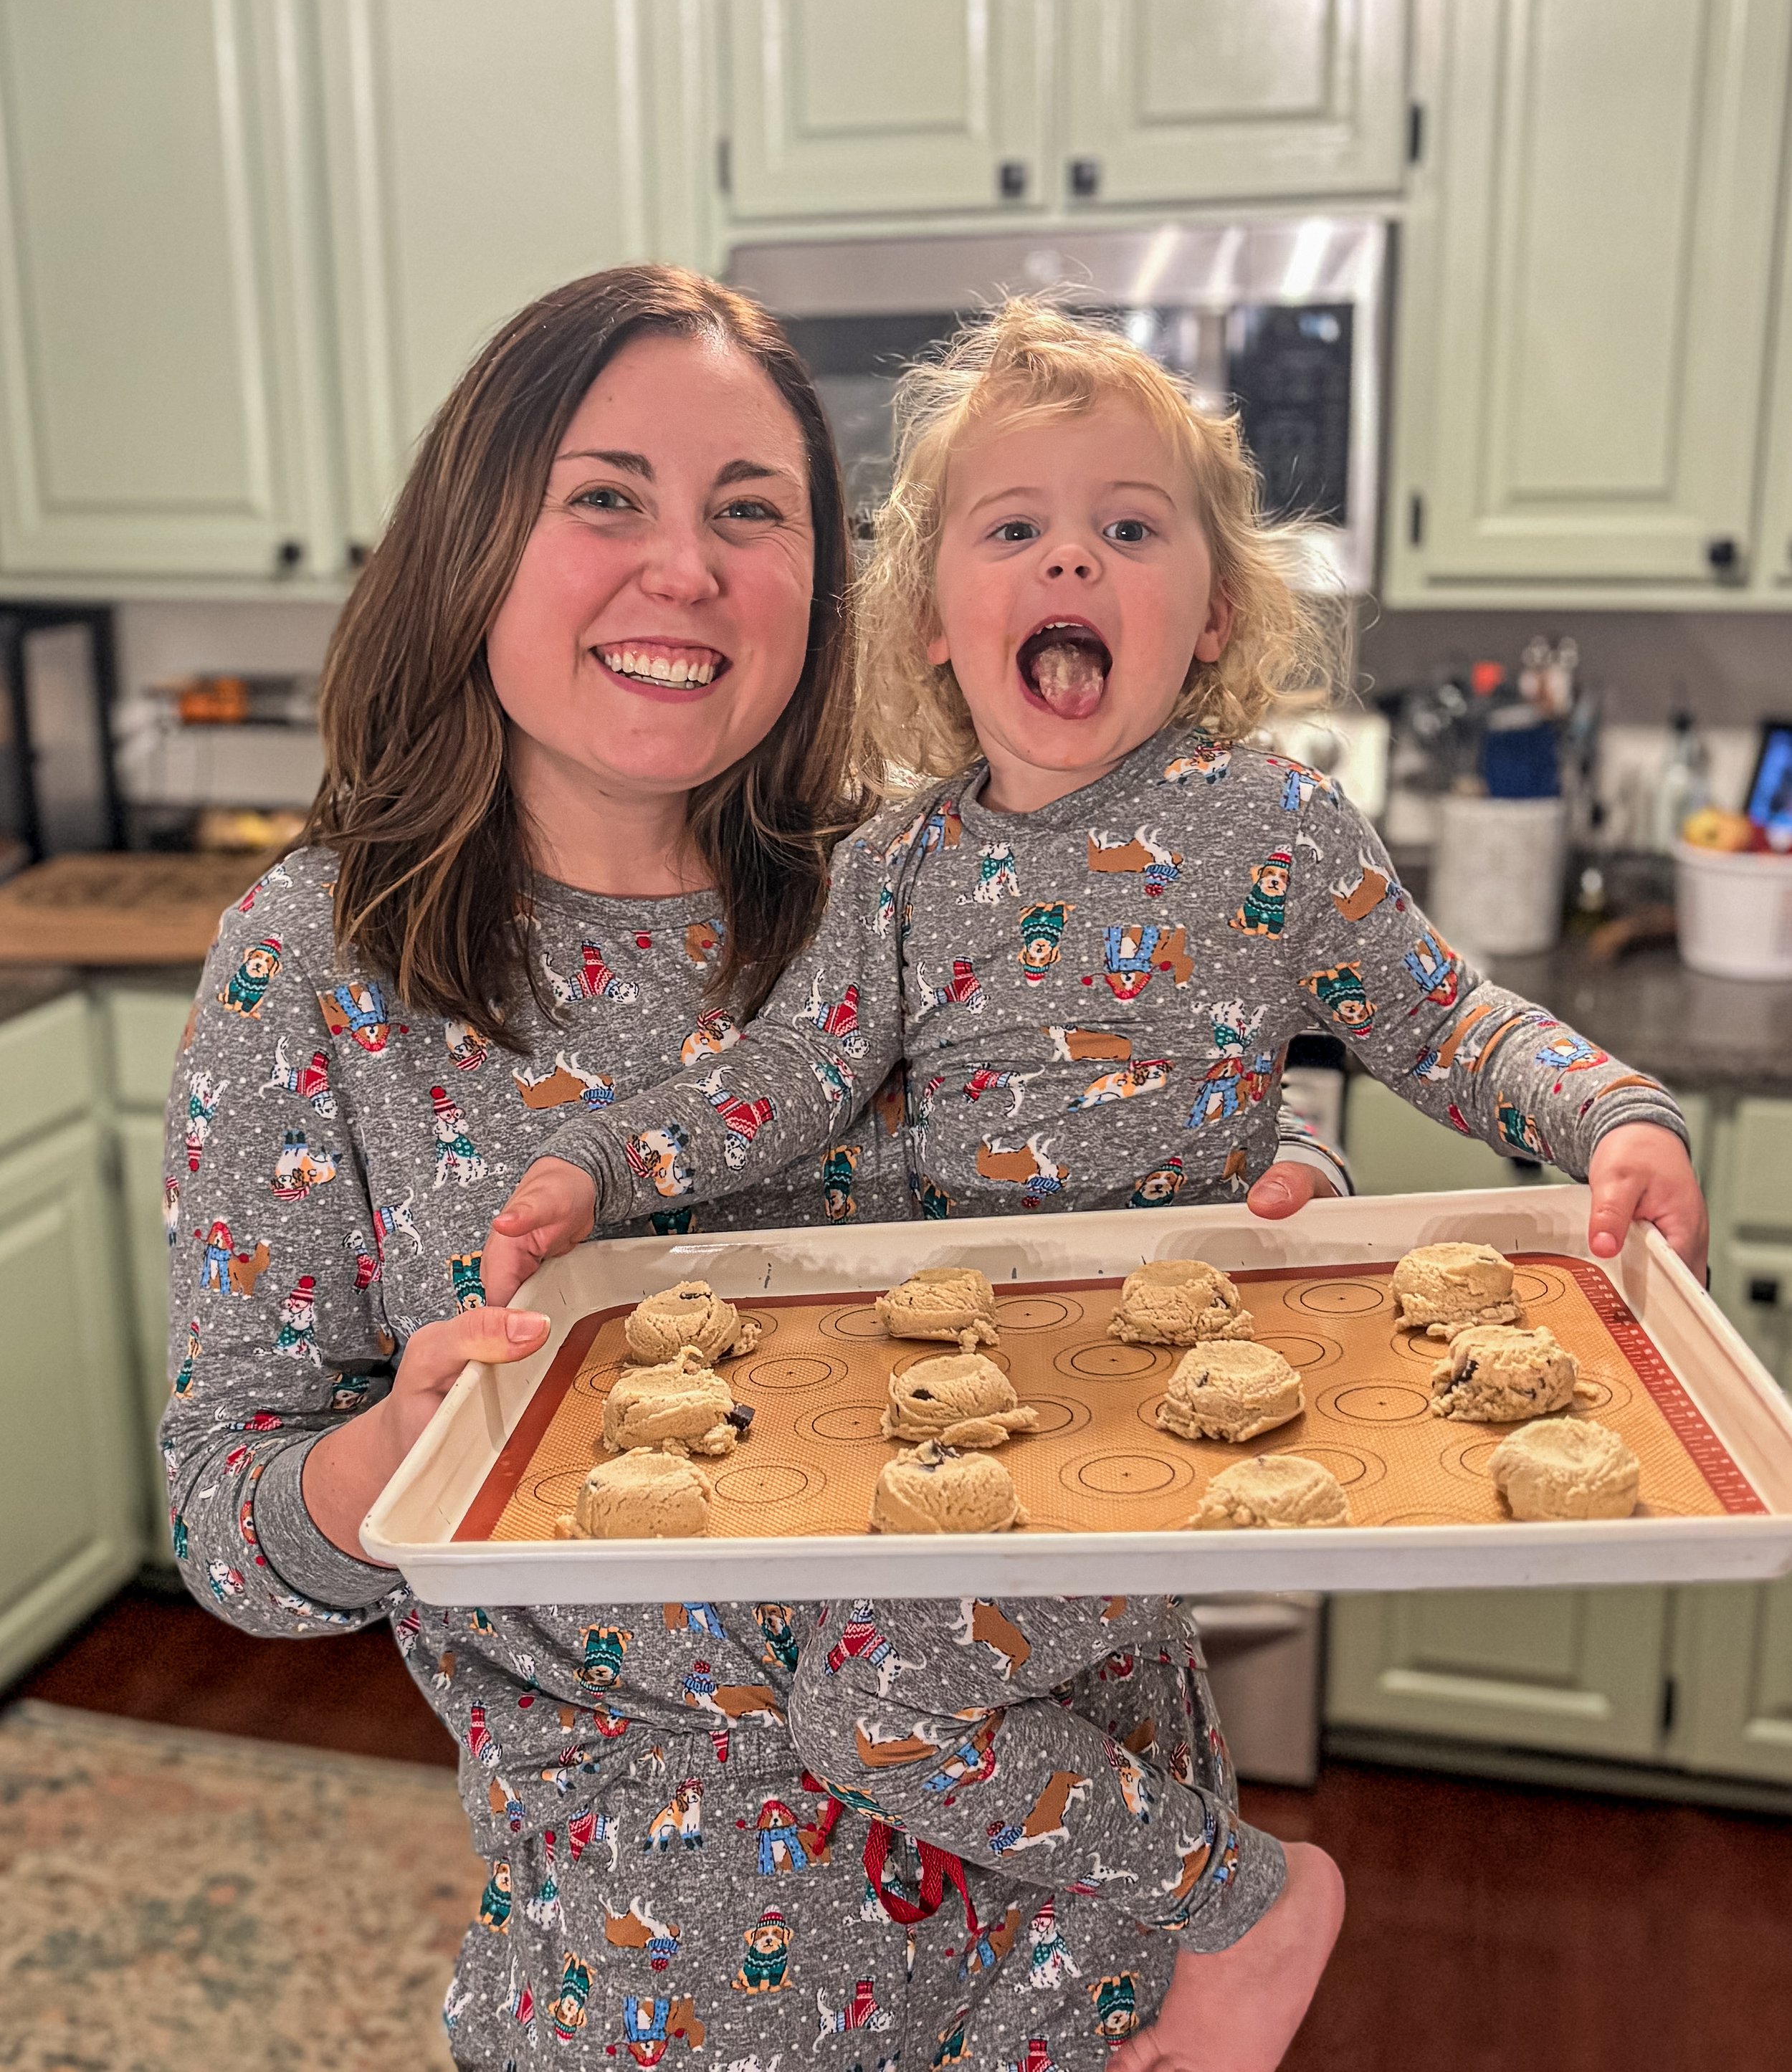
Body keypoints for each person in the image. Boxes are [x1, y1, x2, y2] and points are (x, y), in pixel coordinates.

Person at [485, 297, 1710, 2063]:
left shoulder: (1275, 830)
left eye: (1129, 527)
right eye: (1015, 526)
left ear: (1210, 614)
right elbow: (788, 1081)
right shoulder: (898, 863)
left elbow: (1442, 1020)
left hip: (1171, 1395)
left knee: (874, 1712)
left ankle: (1249, 1904)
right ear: (930, 622)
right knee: (881, 1709)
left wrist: (1613, 1115)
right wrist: (596, 1164)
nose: (1073, 551)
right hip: (978, 1405)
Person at [161, 269, 1287, 2072]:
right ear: (474, 541)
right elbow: (232, 1522)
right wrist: (391, 1461)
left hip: (1099, 1923)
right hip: (659, 1977)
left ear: (827, 588)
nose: (680, 569)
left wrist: (1260, 1183)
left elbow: (1149, 1120)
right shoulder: (317, 967)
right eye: (604, 497)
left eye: (746, 511)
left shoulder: (933, 873)